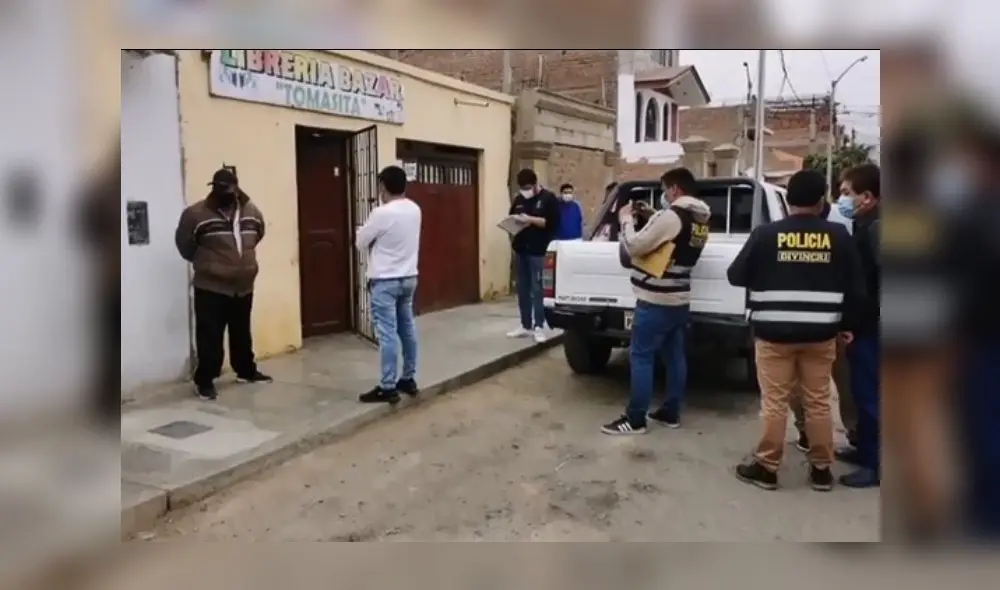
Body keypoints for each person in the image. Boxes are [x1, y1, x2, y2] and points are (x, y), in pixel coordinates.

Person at [727, 168, 866, 491]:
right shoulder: (839, 236)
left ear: (788, 199)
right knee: (818, 401)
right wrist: (848, 326)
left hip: (773, 335)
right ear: (821, 201)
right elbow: (857, 290)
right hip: (821, 335)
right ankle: (820, 470)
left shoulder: (765, 235)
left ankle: (767, 467)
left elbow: (736, 275)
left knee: (775, 402)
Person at [601, 167, 711, 435]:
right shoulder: (700, 218)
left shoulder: (673, 216)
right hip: (679, 299)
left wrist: (626, 220)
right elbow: (674, 237)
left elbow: (636, 246)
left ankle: (635, 418)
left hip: (655, 299)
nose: (664, 196)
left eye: (664, 190)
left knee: (641, 356)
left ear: (674, 190)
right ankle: (670, 413)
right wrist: (652, 215)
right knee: (674, 356)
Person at [175, 167, 272, 401]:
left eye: (228, 189)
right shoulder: (196, 214)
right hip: (211, 287)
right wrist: (209, 264)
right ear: (213, 188)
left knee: (241, 332)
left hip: (244, 286)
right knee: (210, 336)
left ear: (236, 188)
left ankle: (245, 370)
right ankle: (205, 380)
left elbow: (259, 233)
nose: (224, 193)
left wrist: (241, 263)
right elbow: (185, 245)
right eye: (219, 189)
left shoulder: (251, 211)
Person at [355, 165, 423, 404]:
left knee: (387, 334)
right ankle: (408, 377)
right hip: (409, 278)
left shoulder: (381, 213)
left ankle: (387, 385)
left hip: (385, 280)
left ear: (383, 187)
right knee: (407, 328)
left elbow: (360, 242)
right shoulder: (415, 210)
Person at [834, 163, 881, 488]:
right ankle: (864, 450)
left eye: (847, 193)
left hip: (874, 328)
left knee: (872, 397)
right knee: (864, 393)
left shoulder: (878, 228)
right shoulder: (866, 224)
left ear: (867, 196)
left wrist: (857, 322)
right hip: (867, 325)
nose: (842, 199)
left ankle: (877, 464)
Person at [507, 168, 561, 343]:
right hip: (521, 249)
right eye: (523, 187)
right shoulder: (519, 199)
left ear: (536, 184)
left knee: (538, 289)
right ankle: (525, 324)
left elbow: (551, 223)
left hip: (539, 251)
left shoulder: (548, 199)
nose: (526, 190)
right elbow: (512, 216)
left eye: (528, 187)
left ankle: (539, 325)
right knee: (522, 288)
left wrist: (529, 220)